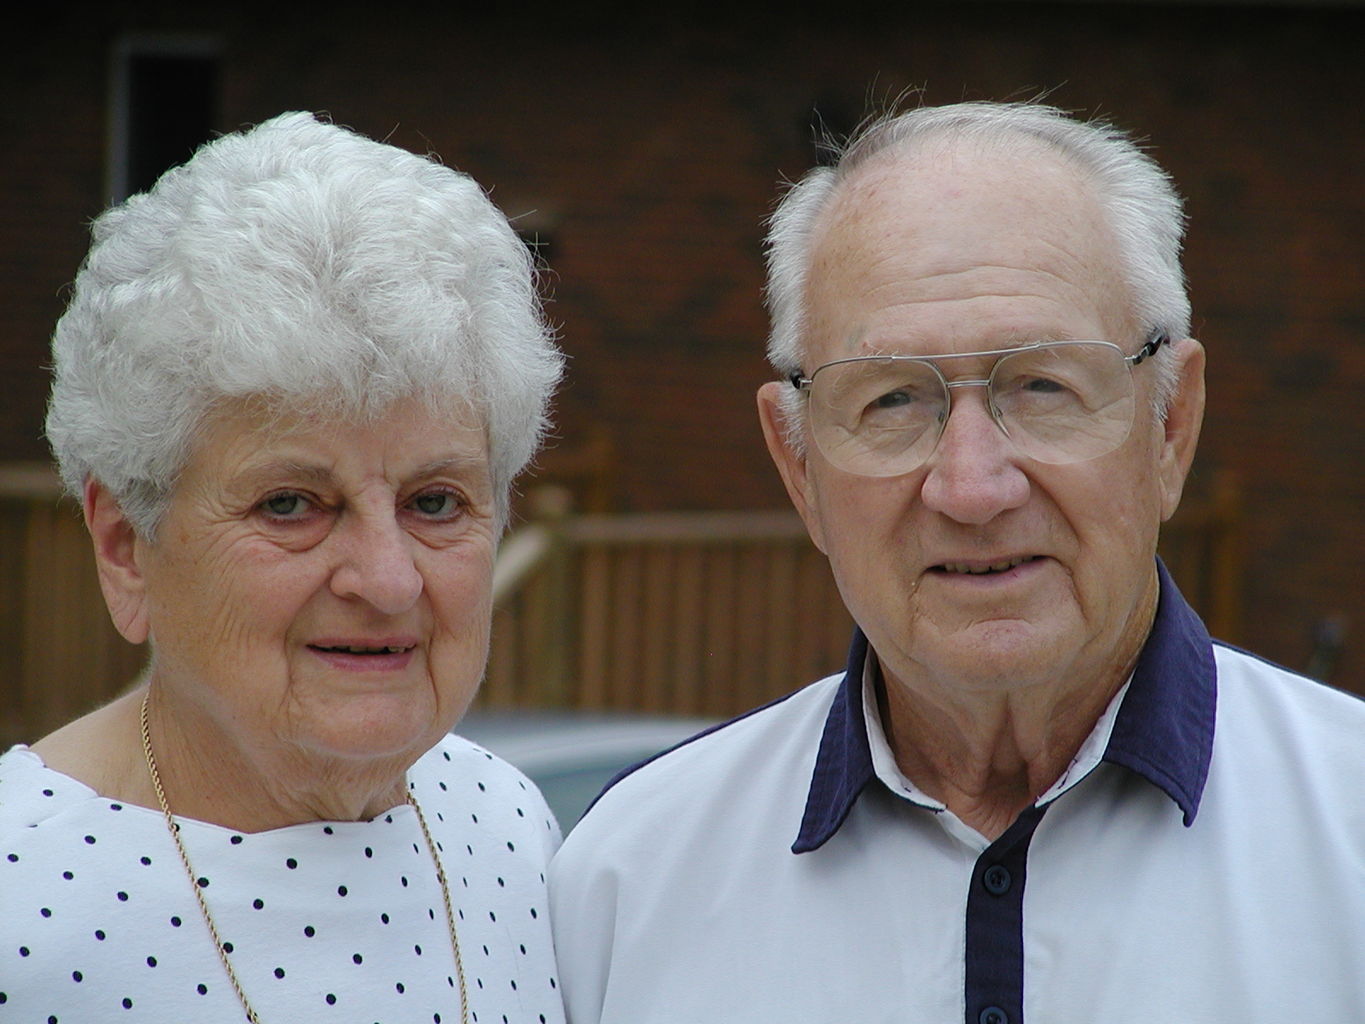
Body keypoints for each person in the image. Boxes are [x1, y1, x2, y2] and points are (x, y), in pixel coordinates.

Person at [548, 101, 1365, 1022]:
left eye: (1043, 385)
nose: (971, 488)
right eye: (892, 400)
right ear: (798, 466)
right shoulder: (631, 877)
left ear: (1168, 427)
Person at [0, 112, 566, 1023]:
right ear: (125, 547)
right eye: (291, 505)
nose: (387, 581)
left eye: (434, 503)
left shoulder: (511, 829)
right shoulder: (20, 908)